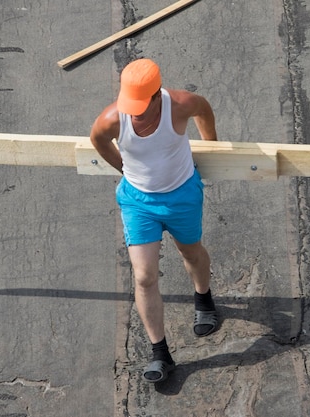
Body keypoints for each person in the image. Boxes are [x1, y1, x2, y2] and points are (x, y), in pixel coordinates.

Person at [90, 58, 219, 383]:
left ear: (155, 96)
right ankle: (160, 354)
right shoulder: (112, 119)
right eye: (129, 106)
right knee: (145, 276)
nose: (134, 113)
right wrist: (124, 168)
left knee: (191, 253)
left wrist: (212, 145)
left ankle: (203, 298)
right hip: (138, 203)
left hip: (182, 196)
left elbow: (203, 109)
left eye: (140, 107)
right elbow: (98, 140)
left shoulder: (179, 104)